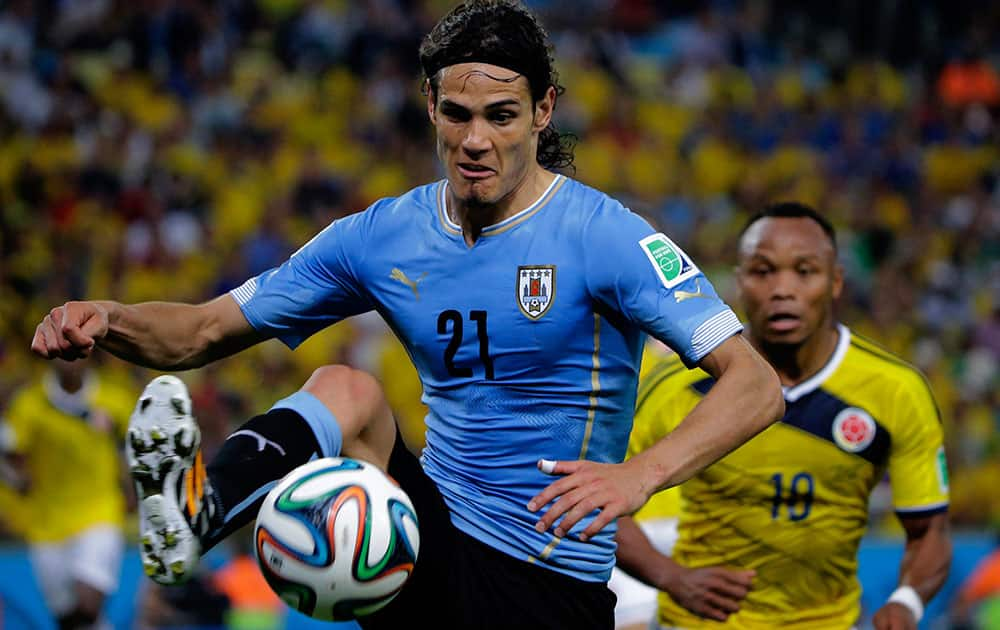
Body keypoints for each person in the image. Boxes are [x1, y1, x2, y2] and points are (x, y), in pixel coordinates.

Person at [30, 2, 784, 628]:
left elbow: (754, 385)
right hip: (428, 550)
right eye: (456, 114)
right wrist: (108, 318)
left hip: (549, 586)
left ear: (543, 110)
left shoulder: (606, 236)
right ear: (430, 105)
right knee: (346, 389)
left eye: (501, 115)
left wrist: (638, 478)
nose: (475, 140)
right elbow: (200, 332)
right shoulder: (382, 236)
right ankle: (197, 515)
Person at [615, 202, 952, 630]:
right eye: (763, 271)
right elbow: (604, 497)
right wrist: (671, 578)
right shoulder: (673, 384)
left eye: (805, 271)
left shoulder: (896, 390)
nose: (782, 289)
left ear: (836, 282)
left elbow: (930, 531)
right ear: (738, 283)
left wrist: (907, 601)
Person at [0, 359, 135, 629]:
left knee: (88, 601)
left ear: (90, 352)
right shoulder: (29, 404)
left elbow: (135, 448)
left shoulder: (114, 399)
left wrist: (133, 489)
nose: (69, 358)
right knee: (67, 619)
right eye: (62, 351)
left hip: (100, 512)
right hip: (47, 523)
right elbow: (10, 452)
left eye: (77, 350)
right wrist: (18, 480)